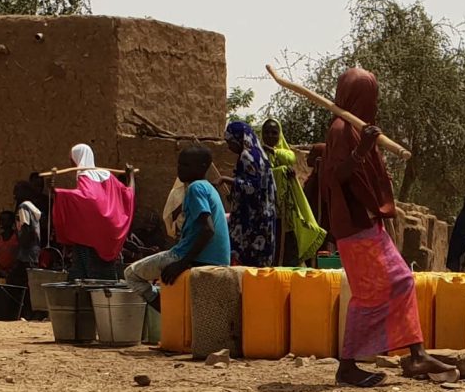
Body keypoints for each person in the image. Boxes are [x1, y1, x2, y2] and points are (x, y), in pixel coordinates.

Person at [317, 65, 448, 387]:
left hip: (367, 223)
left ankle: (416, 353)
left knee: (401, 281)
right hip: (353, 225)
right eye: (369, 98)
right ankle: (349, 365)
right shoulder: (340, 129)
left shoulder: (356, 127)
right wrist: (362, 150)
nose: (373, 105)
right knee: (369, 294)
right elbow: (335, 177)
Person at [125, 144, 231, 290]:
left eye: (186, 165)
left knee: (131, 274)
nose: (180, 169)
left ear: (203, 167)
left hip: (191, 256)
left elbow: (208, 229)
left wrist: (182, 264)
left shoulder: (196, 188)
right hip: (218, 259)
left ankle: (164, 311)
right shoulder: (209, 188)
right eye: (180, 164)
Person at [52, 144, 133, 278]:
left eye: (71, 159)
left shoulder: (84, 175)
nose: (70, 162)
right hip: (107, 236)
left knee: (89, 279)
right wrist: (131, 177)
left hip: (90, 239)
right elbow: (128, 193)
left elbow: (88, 199)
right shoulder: (108, 175)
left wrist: (58, 192)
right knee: (104, 277)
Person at [263, 118, 326, 265]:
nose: (270, 136)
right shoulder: (259, 155)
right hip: (268, 213)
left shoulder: (284, 154)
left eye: (274, 133)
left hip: (288, 215)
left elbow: (289, 157)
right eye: (266, 132)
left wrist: (280, 167)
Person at [220, 118, 278, 266]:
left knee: (248, 265)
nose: (229, 146)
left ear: (239, 139)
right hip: (265, 217)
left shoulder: (247, 157)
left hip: (253, 221)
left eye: (230, 142)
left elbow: (253, 186)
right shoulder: (260, 155)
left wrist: (227, 180)